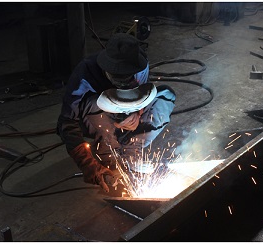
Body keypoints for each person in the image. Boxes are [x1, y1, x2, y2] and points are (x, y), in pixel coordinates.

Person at [57, 34, 176, 195]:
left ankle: (131, 154)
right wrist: (88, 164)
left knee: (165, 97)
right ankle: (110, 157)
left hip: (126, 116)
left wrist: (137, 113)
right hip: (99, 118)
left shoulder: (141, 66)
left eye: (128, 78)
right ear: (106, 68)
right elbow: (66, 123)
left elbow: (143, 95)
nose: (124, 83)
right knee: (92, 102)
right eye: (118, 79)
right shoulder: (85, 73)